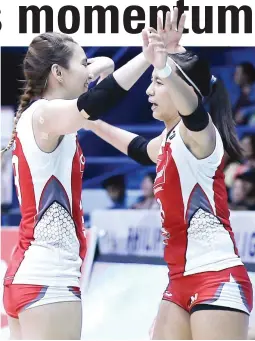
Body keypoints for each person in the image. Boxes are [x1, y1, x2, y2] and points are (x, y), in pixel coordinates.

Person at [83, 9, 253, 340]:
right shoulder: (168, 142)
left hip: (216, 277)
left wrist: (165, 63)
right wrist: (87, 121)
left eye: (157, 84)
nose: (149, 91)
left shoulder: (202, 136)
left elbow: (192, 108)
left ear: (180, 90)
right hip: (178, 280)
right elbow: (136, 147)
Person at [1, 31, 153, 340]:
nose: (88, 70)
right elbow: (96, 101)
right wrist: (146, 58)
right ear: (57, 72)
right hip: (49, 279)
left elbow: (107, 65)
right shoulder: (46, 113)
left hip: (30, 274)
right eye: (81, 63)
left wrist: (84, 67)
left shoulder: (47, 116)